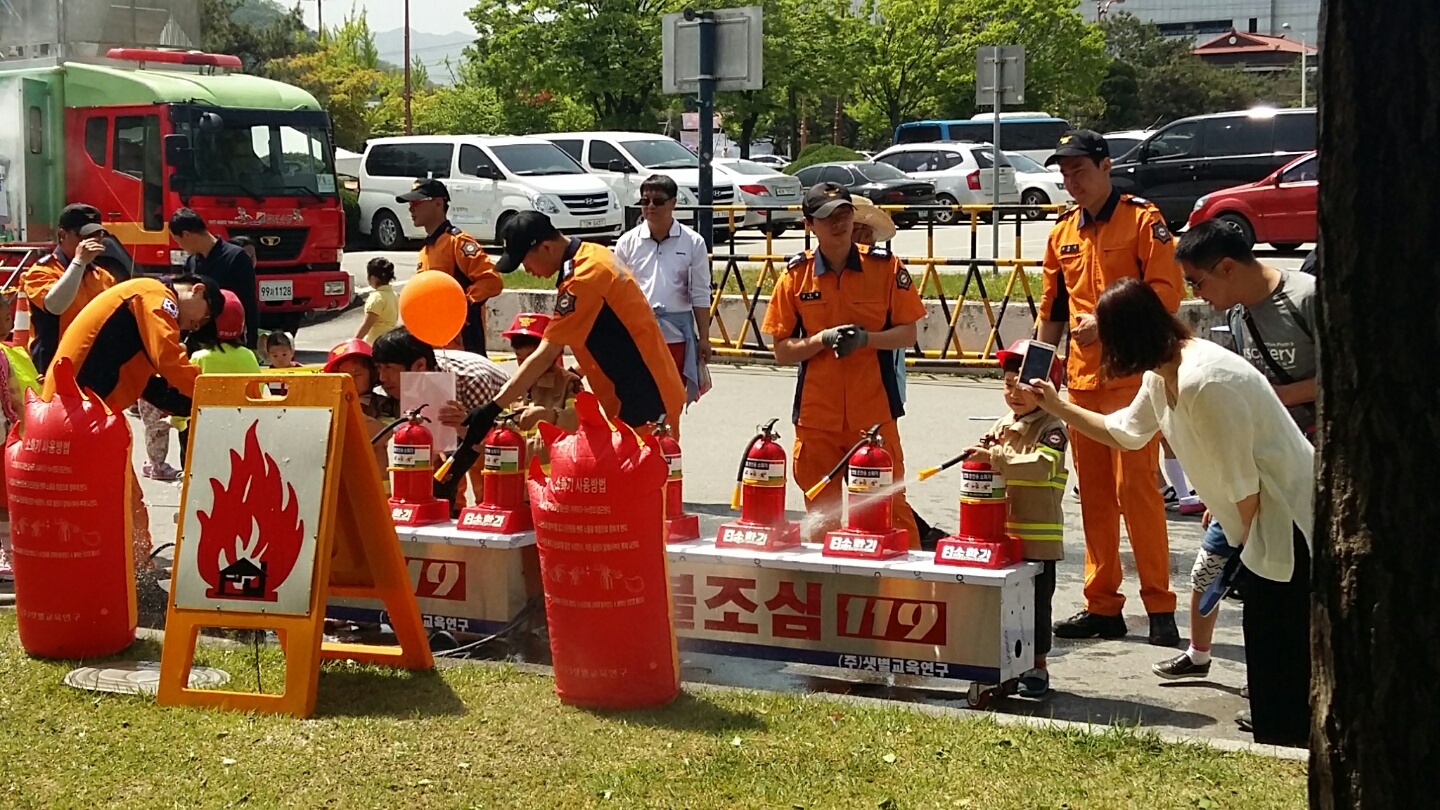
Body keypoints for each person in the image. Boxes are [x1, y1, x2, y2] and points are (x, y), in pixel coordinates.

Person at [1016, 276, 1315, 747]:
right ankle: (1280, 730)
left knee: (1281, 648)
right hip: (1256, 521)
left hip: (1287, 523)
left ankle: (1287, 743)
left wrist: (1235, 548)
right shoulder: (1162, 374)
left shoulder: (1203, 380)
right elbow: (1124, 432)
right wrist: (1057, 405)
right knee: (1271, 651)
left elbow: (1245, 487)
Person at [1152, 219, 1319, 719]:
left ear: (1227, 267)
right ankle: (1268, 688)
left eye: (1197, 282)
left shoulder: (1306, 297)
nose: (1196, 295)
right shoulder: (1239, 316)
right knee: (1242, 582)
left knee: (1294, 593)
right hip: (1255, 476)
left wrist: (1274, 397)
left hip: (1305, 470)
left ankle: (1293, 697)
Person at [1038, 129, 1185, 646]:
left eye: (1079, 170)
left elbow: (1166, 293)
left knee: (1137, 492)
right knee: (1095, 498)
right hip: (1083, 382)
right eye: (1065, 173)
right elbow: (1052, 310)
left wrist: (1106, 322)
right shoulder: (1062, 232)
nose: (1071, 181)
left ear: (1106, 166)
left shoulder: (1142, 220)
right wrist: (1036, 371)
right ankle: (1102, 605)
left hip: (1134, 379)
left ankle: (1160, 606)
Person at [761, 183, 926, 546]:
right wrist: (820, 340)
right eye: (827, 217)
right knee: (823, 517)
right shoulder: (795, 275)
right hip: (817, 418)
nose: (838, 224)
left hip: (874, 412)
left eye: (844, 214)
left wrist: (867, 339)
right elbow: (782, 350)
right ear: (809, 225)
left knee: (890, 511)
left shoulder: (885, 267)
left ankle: (903, 579)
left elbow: (908, 333)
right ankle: (830, 583)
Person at [45, 274, 221, 566]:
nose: (197, 326)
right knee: (119, 500)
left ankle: (133, 565)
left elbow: (150, 385)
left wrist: (190, 404)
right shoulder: (156, 297)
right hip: (79, 412)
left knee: (120, 499)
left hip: (75, 412)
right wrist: (213, 394)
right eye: (205, 316)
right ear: (197, 290)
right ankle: (129, 568)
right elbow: (169, 359)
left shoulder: (141, 307)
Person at [962, 340, 1069, 698]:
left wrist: (993, 458)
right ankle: (1004, 664)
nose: (1014, 394)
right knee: (1003, 604)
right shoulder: (1002, 425)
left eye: (1023, 387)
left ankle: (1037, 666)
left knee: (1036, 606)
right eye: (1008, 385)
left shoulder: (1054, 428)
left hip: (1038, 539)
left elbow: (1041, 467)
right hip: (1002, 534)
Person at [371, 326, 511, 507]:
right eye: (379, 368)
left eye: (389, 368)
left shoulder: (471, 380)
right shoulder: (392, 382)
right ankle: (449, 510)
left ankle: (489, 510)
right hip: (451, 433)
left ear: (420, 365)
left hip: (498, 412)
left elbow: (491, 438)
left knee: (484, 465)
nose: (382, 377)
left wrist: (464, 426)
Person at [612, 174, 713, 403]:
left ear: (673, 203)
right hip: (638, 335)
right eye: (644, 201)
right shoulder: (626, 242)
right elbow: (617, 293)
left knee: (672, 400)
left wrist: (704, 338)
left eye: (657, 201)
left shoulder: (693, 242)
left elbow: (700, 293)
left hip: (677, 338)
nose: (650, 207)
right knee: (639, 400)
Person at [396, 179, 502, 354]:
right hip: (433, 343)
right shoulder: (425, 250)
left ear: (439, 203)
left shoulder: (457, 242)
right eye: (410, 203)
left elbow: (492, 280)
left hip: (462, 347)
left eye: (416, 202)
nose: (411, 208)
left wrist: (463, 305)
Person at [18, 203, 118, 375]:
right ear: (62, 235)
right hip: (54, 368)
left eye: (98, 235)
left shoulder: (103, 276)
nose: (93, 241)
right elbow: (55, 306)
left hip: (92, 367)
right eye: (85, 236)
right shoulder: (42, 271)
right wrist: (79, 262)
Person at [174, 290, 262, 468]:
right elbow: (257, 391)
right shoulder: (248, 356)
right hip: (241, 427)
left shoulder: (199, 358)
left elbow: (185, 394)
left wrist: (176, 421)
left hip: (204, 431)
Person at [501, 312, 583, 467]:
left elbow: (579, 422)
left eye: (532, 359)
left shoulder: (569, 383)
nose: (526, 366)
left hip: (555, 476)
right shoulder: (512, 387)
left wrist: (548, 415)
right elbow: (498, 422)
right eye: (520, 359)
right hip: (517, 476)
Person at [171, 208, 259, 350]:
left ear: (186, 235)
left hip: (229, 342)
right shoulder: (191, 262)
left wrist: (252, 343)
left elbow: (249, 302)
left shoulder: (236, 257)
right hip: (198, 344)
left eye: (177, 240)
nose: (179, 246)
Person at [324, 338, 399, 479]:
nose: (350, 380)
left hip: (376, 479)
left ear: (372, 374)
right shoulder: (329, 405)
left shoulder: (383, 404)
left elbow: (386, 435)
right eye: (343, 376)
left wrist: (349, 410)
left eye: (357, 374)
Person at [355, 257, 400, 343]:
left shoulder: (376, 298)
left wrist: (355, 341)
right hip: (389, 341)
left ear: (372, 278)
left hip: (375, 343)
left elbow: (367, 324)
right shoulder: (394, 295)